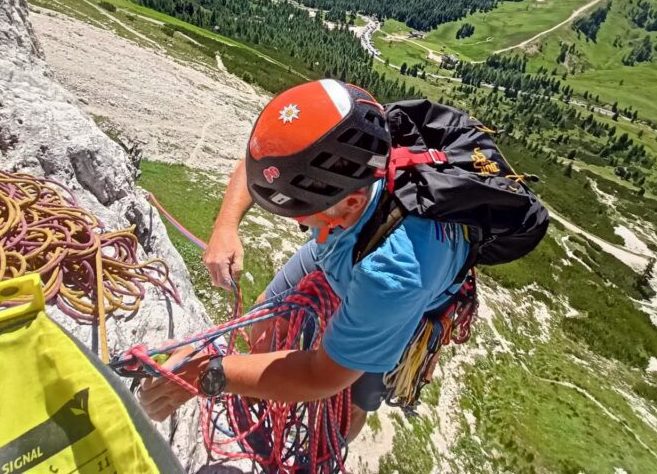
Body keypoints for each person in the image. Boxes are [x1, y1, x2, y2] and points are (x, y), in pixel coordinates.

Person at [138, 79, 470, 439]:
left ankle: (330, 447)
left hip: (399, 298)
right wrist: (225, 227)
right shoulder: (346, 150)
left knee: (355, 399)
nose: (295, 221)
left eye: (300, 211)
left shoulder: (390, 277)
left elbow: (322, 376)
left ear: (350, 204)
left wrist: (211, 374)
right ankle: (258, 397)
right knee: (262, 321)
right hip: (343, 245)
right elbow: (266, 165)